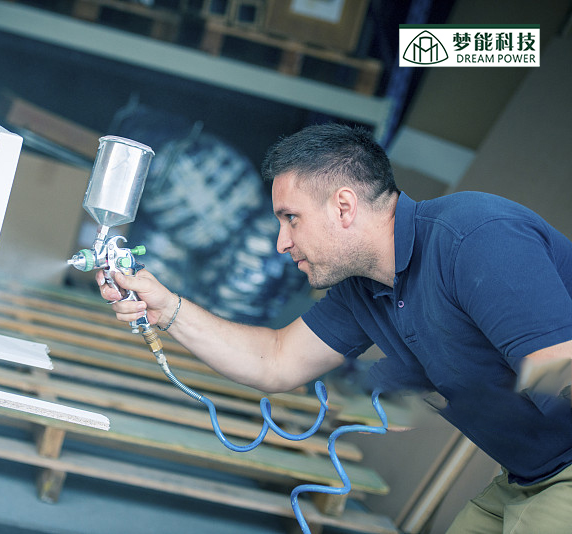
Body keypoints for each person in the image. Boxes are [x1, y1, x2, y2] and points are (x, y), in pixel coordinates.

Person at [96, 123, 572, 533]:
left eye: (291, 219)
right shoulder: (363, 289)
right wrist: (169, 309)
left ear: (344, 206)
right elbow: (276, 361)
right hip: (525, 477)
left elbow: (561, 368)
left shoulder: (475, 238)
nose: (282, 242)